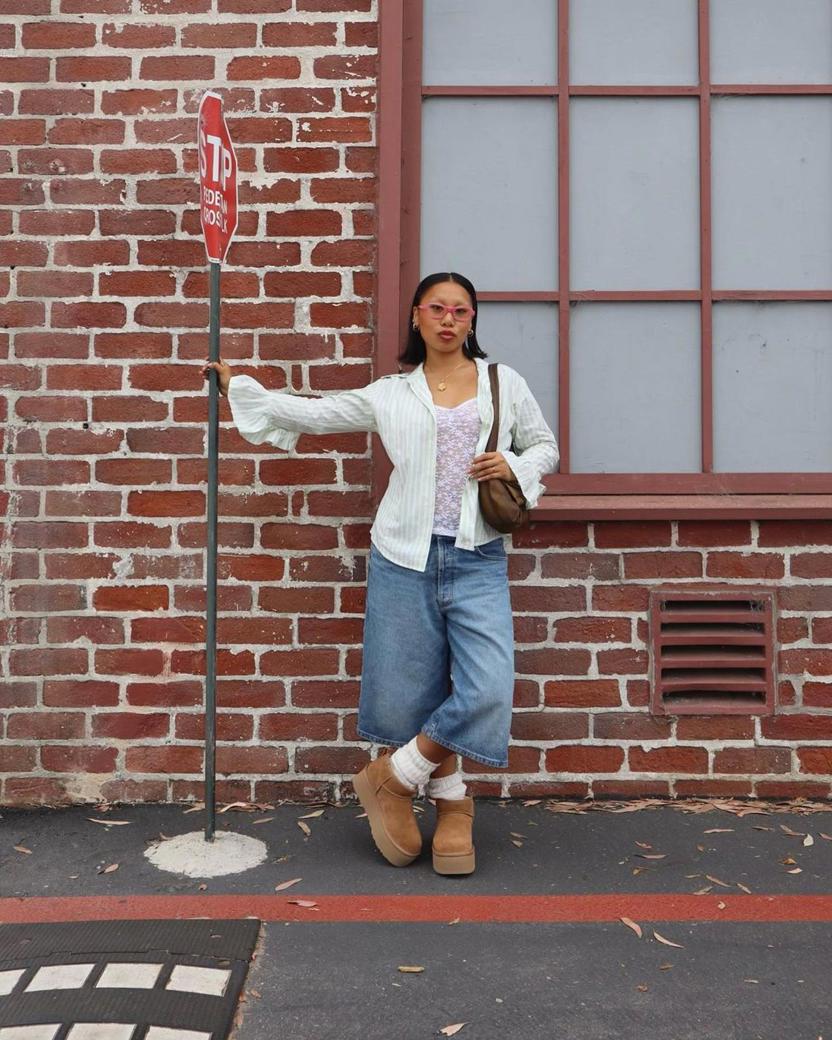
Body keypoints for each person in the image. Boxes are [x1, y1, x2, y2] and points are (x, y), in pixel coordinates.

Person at [202, 271, 558, 875]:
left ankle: (393, 777)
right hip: (402, 557)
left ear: (472, 320)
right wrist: (242, 386)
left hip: (477, 556)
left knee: (488, 689)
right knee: (409, 693)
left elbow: (544, 447)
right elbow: (314, 414)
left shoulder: (503, 382)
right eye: (437, 308)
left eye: (461, 311)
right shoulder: (390, 394)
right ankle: (452, 804)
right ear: (417, 316)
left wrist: (512, 464)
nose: (449, 319)